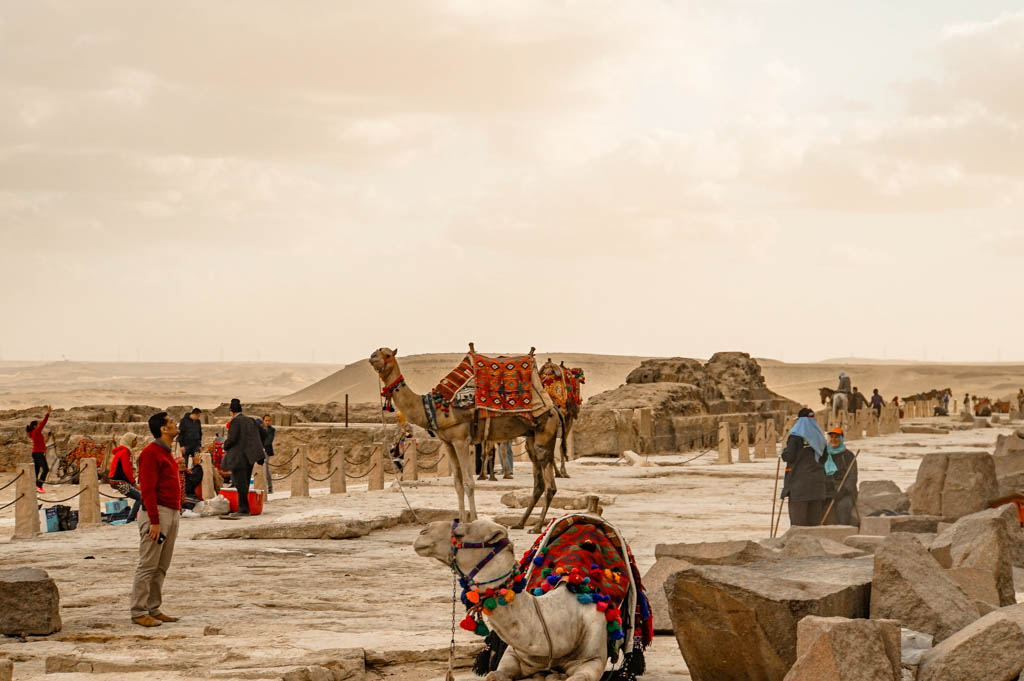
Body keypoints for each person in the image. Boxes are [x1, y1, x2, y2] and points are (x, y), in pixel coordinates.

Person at [131, 411, 181, 627]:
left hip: (171, 512)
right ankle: (138, 611)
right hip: (158, 514)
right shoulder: (150, 453)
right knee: (148, 565)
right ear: (163, 428)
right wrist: (154, 521)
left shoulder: (166, 452)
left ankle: (154, 607)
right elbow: (148, 490)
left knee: (161, 566)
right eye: (171, 422)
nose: (175, 424)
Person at [780, 407, 828, 527]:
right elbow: (824, 458)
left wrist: (783, 453)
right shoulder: (820, 437)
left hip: (799, 485)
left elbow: (789, 456)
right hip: (818, 485)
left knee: (798, 524)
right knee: (814, 523)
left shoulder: (796, 436)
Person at [222, 398, 266, 517]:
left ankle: (243, 509)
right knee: (245, 482)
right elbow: (263, 434)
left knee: (240, 483)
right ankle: (245, 508)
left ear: (231, 411)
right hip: (249, 456)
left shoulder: (235, 422)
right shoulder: (251, 420)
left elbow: (232, 439)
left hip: (238, 457)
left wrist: (225, 446)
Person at [822, 428, 858, 526]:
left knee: (843, 506)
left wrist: (843, 490)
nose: (834, 439)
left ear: (841, 438)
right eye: (832, 437)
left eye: (837, 437)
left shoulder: (848, 455)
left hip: (844, 490)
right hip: (827, 489)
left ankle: (844, 530)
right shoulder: (824, 454)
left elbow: (852, 477)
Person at [109, 432, 143, 522]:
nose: (136, 442)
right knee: (141, 498)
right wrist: (134, 483)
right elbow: (126, 470)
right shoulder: (124, 452)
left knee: (140, 497)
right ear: (129, 441)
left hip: (117, 481)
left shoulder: (123, 451)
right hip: (119, 482)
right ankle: (130, 520)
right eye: (135, 440)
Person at [26, 406, 51, 493]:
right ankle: (39, 486)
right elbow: (43, 423)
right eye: (37, 425)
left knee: (37, 470)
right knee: (46, 469)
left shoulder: (33, 432)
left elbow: (42, 442)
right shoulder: (36, 432)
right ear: (34, 426)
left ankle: (34, 486)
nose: (38, 425)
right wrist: (48, 414)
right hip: (38, 453)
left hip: (36, 453)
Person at [261, 415, 275, 494]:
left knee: (266, 469)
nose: (267, 422)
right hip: (259, 450)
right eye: (266, 420)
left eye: (269, 420)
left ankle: (270, 488)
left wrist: (263, 447)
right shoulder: (260, 428)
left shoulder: (272, 430)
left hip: (266, 451)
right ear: (263, 421)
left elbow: (269, 440)